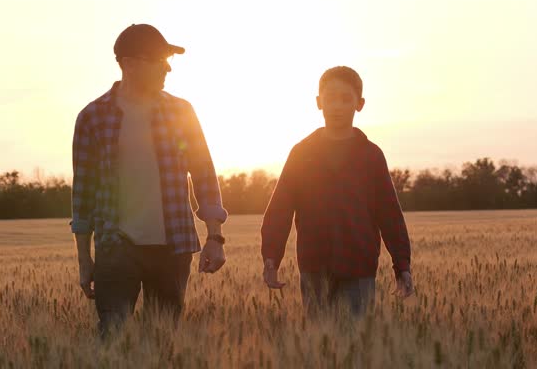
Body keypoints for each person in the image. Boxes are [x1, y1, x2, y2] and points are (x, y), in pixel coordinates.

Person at [70, 24, 228, 336]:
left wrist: (215, 237)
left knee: (164, 340)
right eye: (158, 59)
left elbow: (203, 173)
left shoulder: (181, 112)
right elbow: (83, 193)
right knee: (113, 338)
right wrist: (84, 259)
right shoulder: (93, 117)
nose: (167, 67)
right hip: (116, 247)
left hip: (173, 246)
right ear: (128, 64)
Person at [260, 66, 414, 315]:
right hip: (314, 266)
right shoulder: (302, 153)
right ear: (319, 102)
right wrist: (271, 257)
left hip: (359, 267)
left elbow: (390, 215)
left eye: (346, 99)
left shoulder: (371, 155)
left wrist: (402, 265)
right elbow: (280, 208)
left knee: (355, 342)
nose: (337, 106)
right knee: (319, 344)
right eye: (330, 99)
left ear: (360, 104)